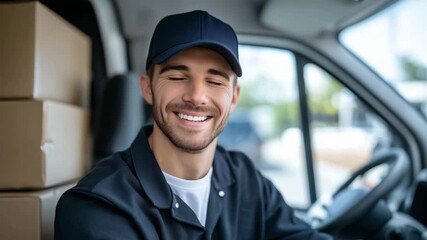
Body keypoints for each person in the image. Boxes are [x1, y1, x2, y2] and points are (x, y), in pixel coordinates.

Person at [54, 10, 332, 240]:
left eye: (215, 81)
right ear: (148, 88)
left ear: (233, 98)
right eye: (177, 76)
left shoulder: (245, 178)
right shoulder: (97, 206)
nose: (197, 96)